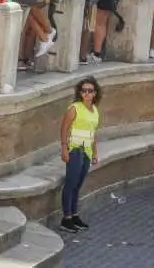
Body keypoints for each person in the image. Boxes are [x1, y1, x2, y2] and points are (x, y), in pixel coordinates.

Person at [59, 77, 101, 233]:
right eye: (84, 91)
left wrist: (95, 152)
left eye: (90, 91)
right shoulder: (74, 108)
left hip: (87, 151)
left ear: (95, 93)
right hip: (75, 149)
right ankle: (66, 218)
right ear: (80, 92)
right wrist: (64, 148)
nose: (87, 93)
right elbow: (64, 129)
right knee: (70, 183)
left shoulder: (95, 110)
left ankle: (74, 215)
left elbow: (93, 133)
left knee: (78, 184)